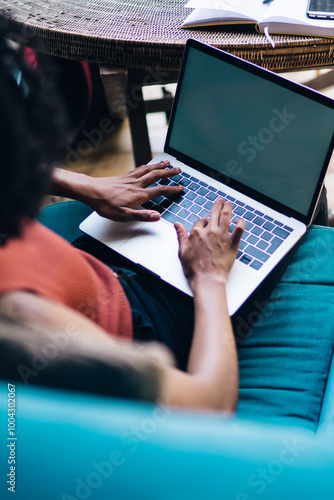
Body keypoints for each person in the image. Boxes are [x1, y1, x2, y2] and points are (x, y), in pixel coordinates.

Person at [0, 31, 247, 412]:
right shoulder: (27, 321)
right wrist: (210, 278)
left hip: (90, 275)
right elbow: (208, 406)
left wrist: (85, 184)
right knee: (266, 245)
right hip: (146, 323)